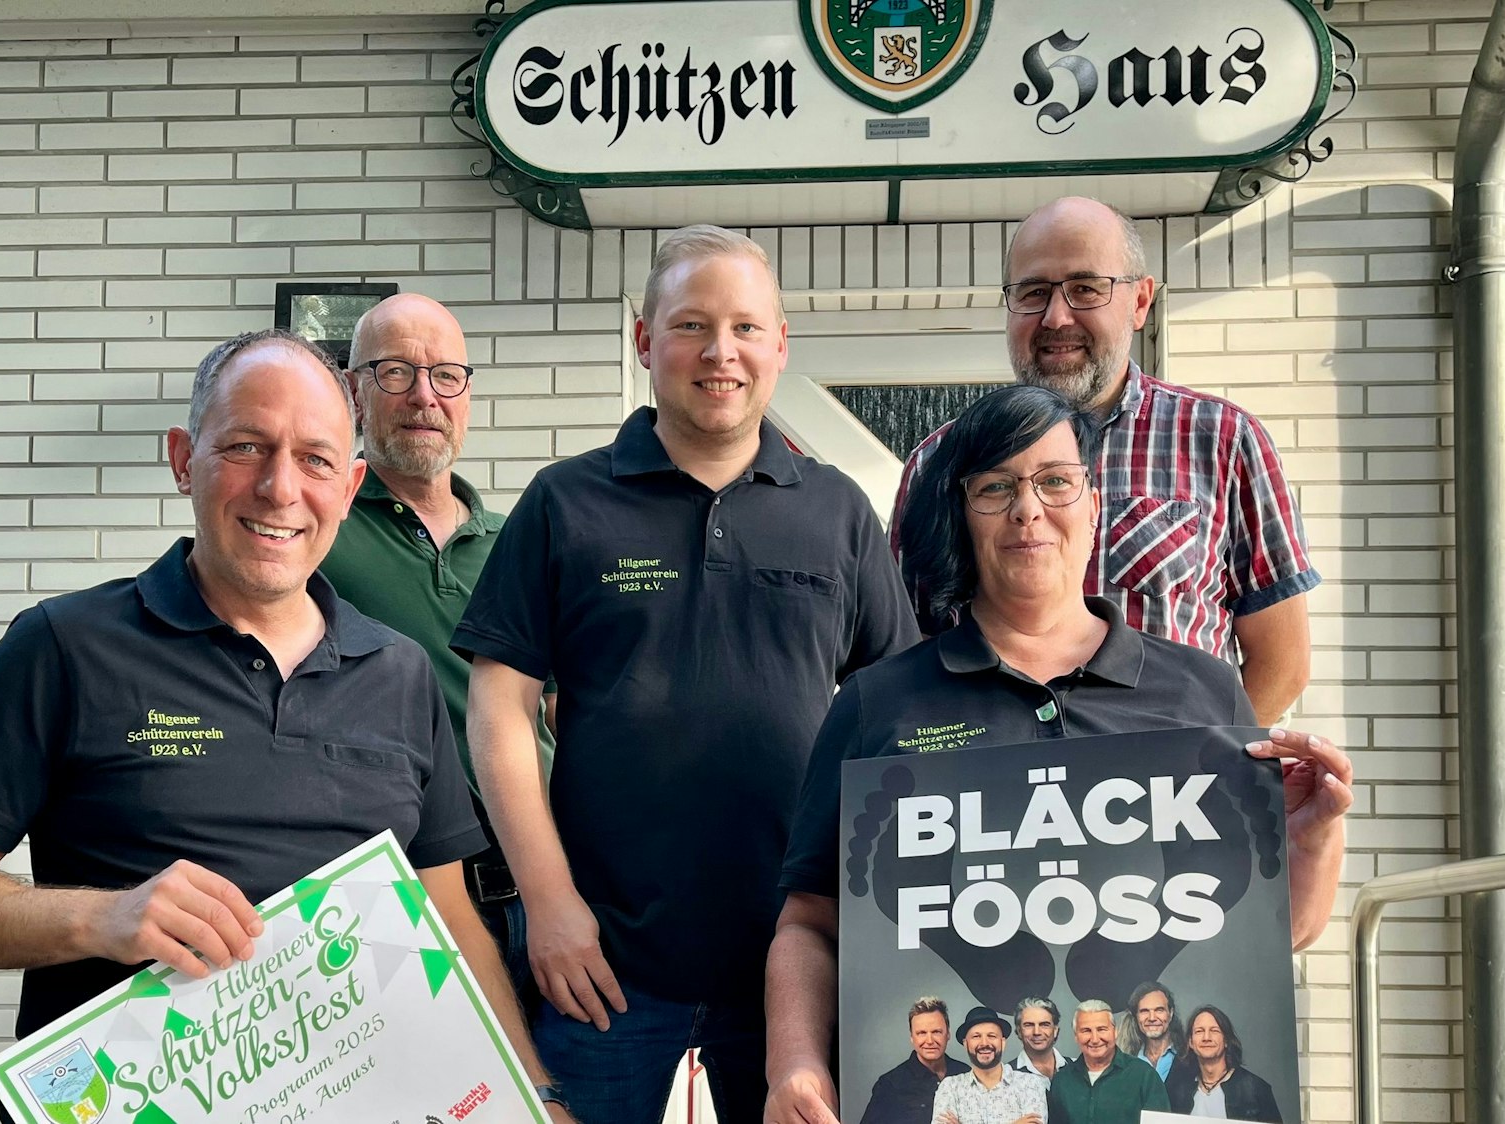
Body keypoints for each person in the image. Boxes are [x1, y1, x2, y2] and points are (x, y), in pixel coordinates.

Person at [0, 329, 571, 1122]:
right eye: (245, 447)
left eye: (315, 459)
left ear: (349, 486)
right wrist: (103, 918)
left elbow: (448, 916)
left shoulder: (399, 672)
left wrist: (532, 1093)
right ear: (182, 459)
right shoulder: (64, 647)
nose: (279, 488)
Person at [764, 384, 1352, 1124]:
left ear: (1093, 504)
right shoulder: (877, 704)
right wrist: (793, 1062)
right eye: (995, 488)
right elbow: (809, 922)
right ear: (961, 516)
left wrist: (1313, 838)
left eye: (1054, 481)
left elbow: (1276, 934)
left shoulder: (1203, 693)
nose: (1027, 509)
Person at [457, 224, 917, 1124]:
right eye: (691, 325)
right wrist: (548, 903)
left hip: (792, 964)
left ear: (781, 345)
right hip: (602, 959)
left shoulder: (837, 511)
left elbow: (895, 716)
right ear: (643, 339)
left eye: (746, 327)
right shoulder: (564, 502)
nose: (721, 352)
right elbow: (499, 704)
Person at [892, 197, 1318, 726]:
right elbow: (904, 649)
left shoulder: (1223, 441)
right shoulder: (939, 461)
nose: (1056, 316)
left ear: (1140, 302)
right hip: (993, 772)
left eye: (1086, 288)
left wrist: (1205, 763)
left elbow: (1283, 659)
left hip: (1168, 774)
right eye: (1033, 292)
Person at [319, 293, 557, 1008]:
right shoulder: (316, 531)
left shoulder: (519, 540)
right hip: (403, 908)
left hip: (547, 897)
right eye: (395, 372)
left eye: (446, 375)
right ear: (354, 391)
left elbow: (561, 711)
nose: (425, 396)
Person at [1047, 1002, 1168, 1124]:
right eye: (1086, 1031)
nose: (1095, 1039)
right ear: (1076, 1036)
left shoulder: (1144, 1076)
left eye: (1101, 1029)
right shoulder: (1062, 1081)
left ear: (1115, 1032)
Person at [860, 998, 971, 1124]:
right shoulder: (890, 1085)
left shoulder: (965, 1074)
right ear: (912, 1037)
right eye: (921, 1033)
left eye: (936, 1032)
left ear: (948, 1034)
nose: (930, 1041)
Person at [930, 1007, 1048, 1124]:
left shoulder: (1030, 1085)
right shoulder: (950, 1087)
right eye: (976, 1036)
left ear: (1003, 1042)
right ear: (966, 1044)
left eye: (991, 1036)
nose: (984, 1043)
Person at [1164, 1006, 1283, 1121]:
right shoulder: (1178, 1091)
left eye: (1214, 1030)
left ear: (1226, 1040)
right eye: (1199, 1031)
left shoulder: (1255, 1089)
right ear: (1191, 1042)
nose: (1206, 1037)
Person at [1116, 981, 1183, 1081]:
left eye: (1159, 1010)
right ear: (1136, 1016)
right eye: (1144, 1011)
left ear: (1171, 1013)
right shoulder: (1127, 1062)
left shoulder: (1187, 1057)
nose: (1152, 1018)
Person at [1009, 998, 1066, 1082]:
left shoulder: (1078, 1068)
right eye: (1029, 1025)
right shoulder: (1007, 1075)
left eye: (1044, 1025)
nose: (1036, 1032)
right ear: (1019, 1031)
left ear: (1055, 1030)